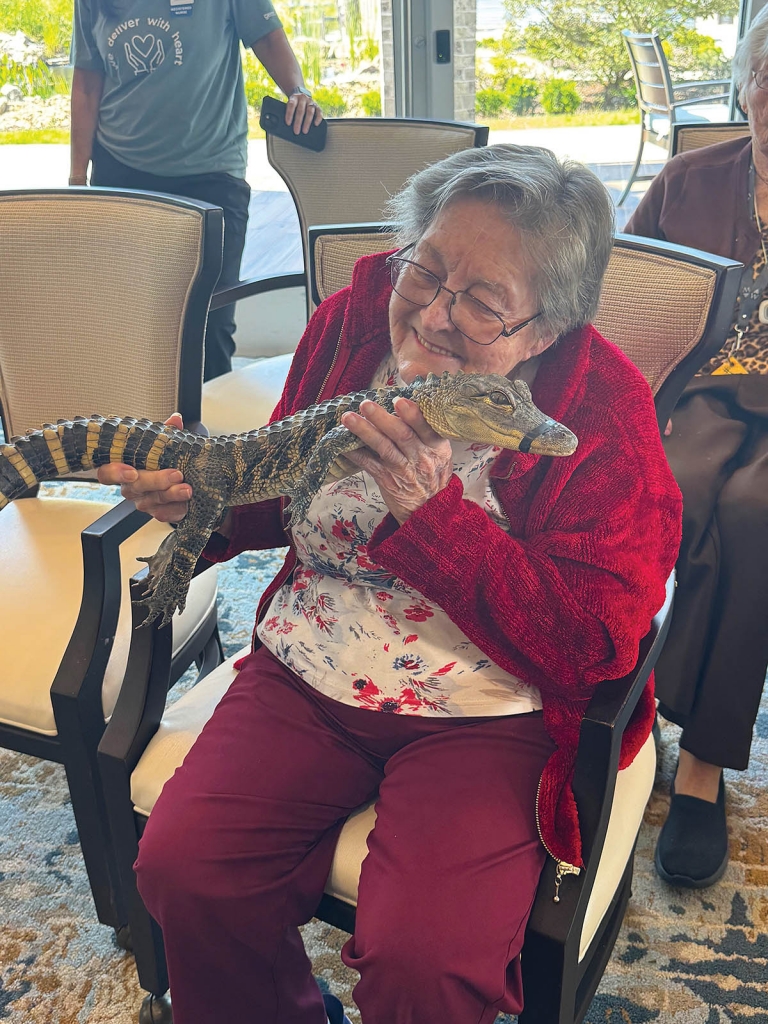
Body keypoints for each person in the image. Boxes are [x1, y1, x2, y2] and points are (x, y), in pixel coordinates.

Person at [98, 145, 681, 1024]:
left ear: (543, 330)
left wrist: (434, 517)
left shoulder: (603, 415)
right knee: (186, 869)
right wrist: (197, 503)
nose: (437, 315)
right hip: (312, 663)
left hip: (493, 711)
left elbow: (596, 644)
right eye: (427, 270)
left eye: (483, 303)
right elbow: (277, 493)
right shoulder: (355, 322)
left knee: (427, 960)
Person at [625, 10, 768, 890]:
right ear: (747, 86)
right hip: (703, 391)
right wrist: (643, 401)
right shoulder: (688, 180)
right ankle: (618, 700)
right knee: (674, 488)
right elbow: (624, 293)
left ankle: (701, 767)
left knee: (757, 512)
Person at [69, 0, 323, 382]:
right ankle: (140, 431)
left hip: (212, 175)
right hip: (120, 173)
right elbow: (88, 83)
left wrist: (298, 90)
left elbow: (267, 38)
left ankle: (208, 440)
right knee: (129, 323)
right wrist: (76, 180)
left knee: (211, 325)